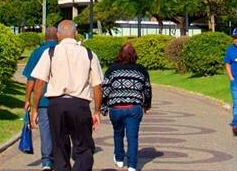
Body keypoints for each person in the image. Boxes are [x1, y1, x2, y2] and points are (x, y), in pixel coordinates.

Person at [26, 20, 102, 171]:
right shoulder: (89, 54)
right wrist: (97, 111)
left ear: (59, 35)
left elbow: (40, 82)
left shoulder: (51, 53)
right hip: (80, 105)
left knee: (59, 148)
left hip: (56, 105)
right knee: (84, 148)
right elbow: (97, 86)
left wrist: (34, 108)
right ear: (75, 34)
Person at [104, 42, 153, 171]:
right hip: (134, 107)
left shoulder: (112, 69)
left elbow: (105, 89)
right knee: (132, 136)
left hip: (116, 108)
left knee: (118, 133)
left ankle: (119, 158)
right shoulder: (141, 70)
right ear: (134, 55)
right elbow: (147, 89)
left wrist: (103, 107)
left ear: (120, 54)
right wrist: (147, 104)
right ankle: (132, 165)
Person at [20, 27, 60, 170]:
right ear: (58, 36)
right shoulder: (62, 51)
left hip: (42, 99)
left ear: (45, 37)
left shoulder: (37, 52)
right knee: (61, 130)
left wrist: (27, 100)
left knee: (45, 130)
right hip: (61, 98)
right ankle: (59, 157)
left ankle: (47, 161)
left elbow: (31, 79)